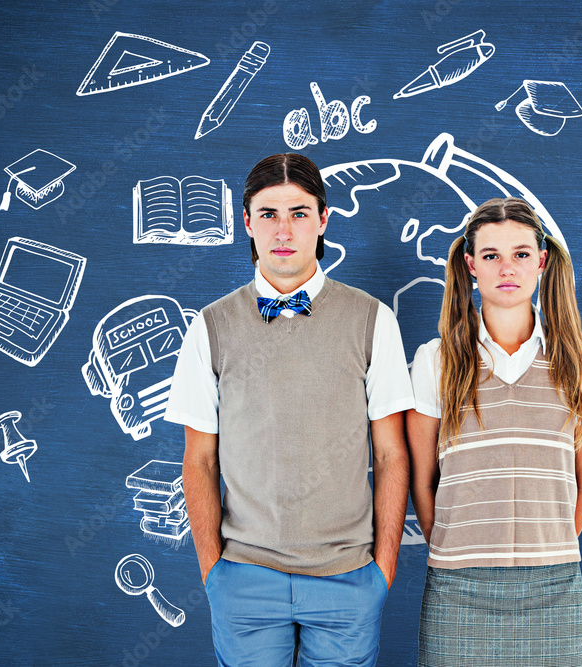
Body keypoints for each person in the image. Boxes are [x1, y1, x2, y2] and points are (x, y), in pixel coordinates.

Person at [164, 153, 413, 666]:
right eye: (269, 214)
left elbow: (391, 454)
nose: (283, 230)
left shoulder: (372, 320)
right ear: (247, 223)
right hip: (244, 576)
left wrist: (382, 571)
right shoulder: (209, 327)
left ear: (323, 221)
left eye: (299, 213)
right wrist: (214, 572)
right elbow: (199, 461)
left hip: (348, 575)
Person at [406, 197, 582, 666]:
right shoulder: (435, 361)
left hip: (555, 588)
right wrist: (459, 548)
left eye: (520, 254)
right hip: (457, 588)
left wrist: (547, 546)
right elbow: (423, 481)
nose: (507, 268)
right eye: (491, 255)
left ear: (541, 262)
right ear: (470, 265)